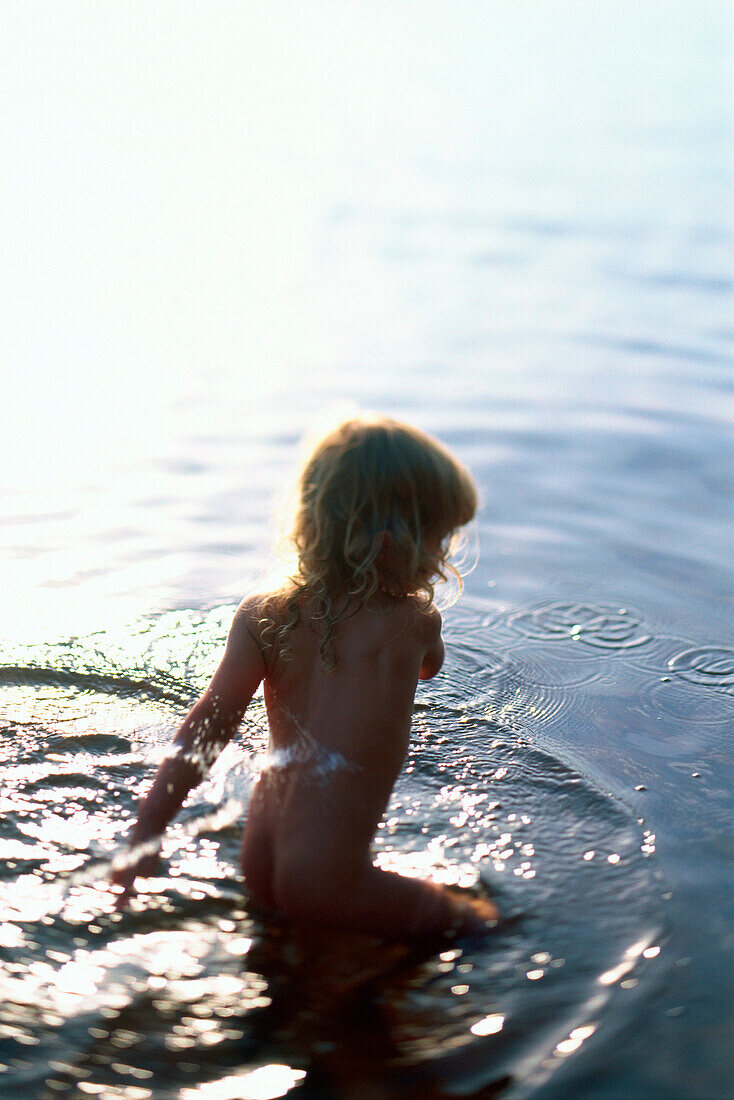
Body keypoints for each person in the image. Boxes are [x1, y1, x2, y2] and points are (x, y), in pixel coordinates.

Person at [111, 417, 499, 937]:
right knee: (480, 924)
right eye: (438, 537)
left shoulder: (261, 614)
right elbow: (432, 670)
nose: (444, 556)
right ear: (392, 539)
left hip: (263, 854)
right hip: (325, 875)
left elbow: (208, 726)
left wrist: (146, 834)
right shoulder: (414, 622)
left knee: (290, 959)